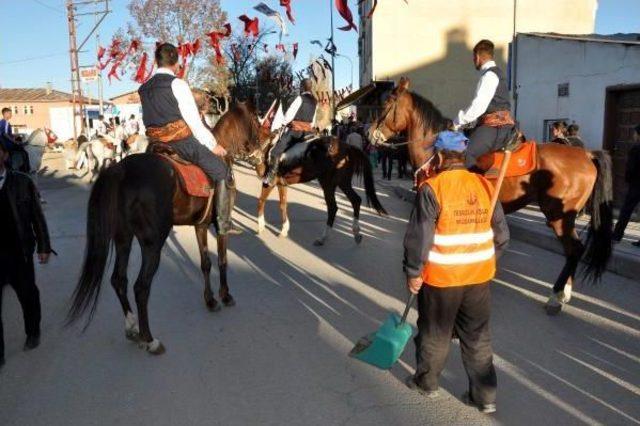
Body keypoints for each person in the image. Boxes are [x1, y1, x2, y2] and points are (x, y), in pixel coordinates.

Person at [403, 131, 509, 414]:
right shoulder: (486, 186)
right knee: (478, 337)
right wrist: (484, 261)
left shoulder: (432, 188)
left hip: (442, 280)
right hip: (478, 279)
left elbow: (420, 238)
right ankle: (485, 397)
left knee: (435, 333)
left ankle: (426, 383)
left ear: (439, 156)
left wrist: (413, 271)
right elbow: (502, 236)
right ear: (462, 156)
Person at [139, 43, 231, 235]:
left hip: (154, 145)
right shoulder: (178, 84)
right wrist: (213, 145)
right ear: (176, 63)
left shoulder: (144, 88)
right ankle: (223, 224)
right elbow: (194, 122)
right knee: (222, 170)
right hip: (181, 144)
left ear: (156, 61)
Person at [0, 142, 52, 369]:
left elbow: (36, 217)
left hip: (18, 251)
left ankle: (33, 332)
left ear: (5, 155)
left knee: (28, 294)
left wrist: (44, 245)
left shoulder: (22, 182)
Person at [453, 40, 515, 170]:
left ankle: (477, 189)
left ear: (477, 57)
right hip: (499, 125)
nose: (473, 61)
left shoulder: (490, 75)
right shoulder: (496, 73)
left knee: (467, 154)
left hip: (495, 127)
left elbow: (479, 106)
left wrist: (458, 122)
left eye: (473, 58)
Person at [263, 78, 318, 187]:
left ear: (302, 87)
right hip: (308, 133)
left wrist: (283, 124)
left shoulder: (300, 98)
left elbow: (290, 114)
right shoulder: (314, 101)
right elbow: (313, 120)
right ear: (311, 87)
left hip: (295, 131)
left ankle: (271, 176)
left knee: (275, 152)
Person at [613, 124, 640, 247]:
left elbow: (630, 169)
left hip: (636, 185)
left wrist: (628, 180)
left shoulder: (635, 149)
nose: (633, 135)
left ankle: (617, 235)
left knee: (626, 211)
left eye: (635, 133)